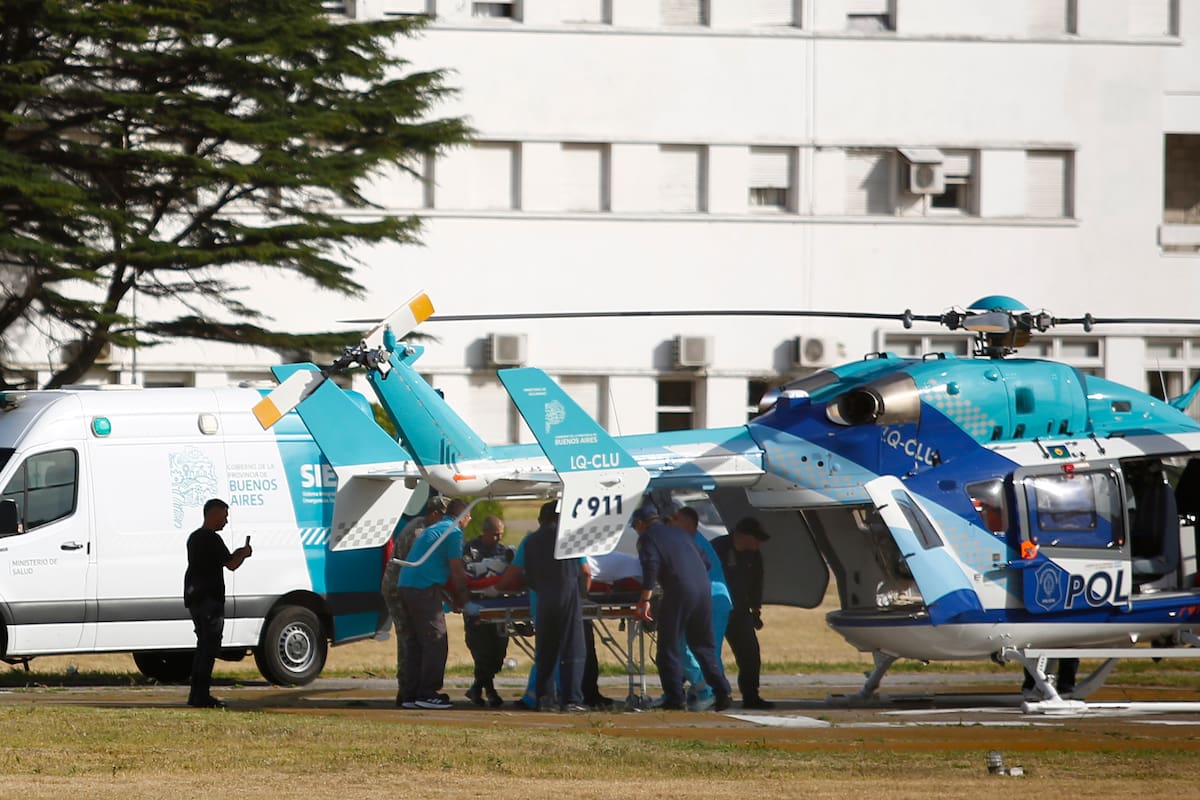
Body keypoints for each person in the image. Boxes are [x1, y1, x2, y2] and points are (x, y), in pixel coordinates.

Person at [632, 503, 732, 712]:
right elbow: (705, 562)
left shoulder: (648, 538)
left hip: (679, 591)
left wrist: (645, 599)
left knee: (668, 647)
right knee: (703, 646)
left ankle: (675, 698)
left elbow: (650, 566)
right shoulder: (682, 534)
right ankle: (723, 691)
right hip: (704, 591)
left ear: (641, 524)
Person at [511, 500, 589, 712]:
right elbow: (586, 571)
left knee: (546, 651)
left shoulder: (531, 540)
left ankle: (544, 698)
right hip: (567, 595)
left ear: (541, 519)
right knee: (572, 648)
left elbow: (523, 575)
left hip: (543, 598)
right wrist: (582, 594)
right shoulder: (570, 536)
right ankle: (571, 699)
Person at [396, 498, 469, 710]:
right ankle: (428, 693)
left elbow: (432, 570)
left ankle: (411, 694)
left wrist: (451, 600)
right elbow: (457, 571)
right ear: (464, 516)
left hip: (408, 585)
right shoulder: (453, 532)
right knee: (436, 641)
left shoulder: (435, 528)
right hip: (421, 589)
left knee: (416, 643)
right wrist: (466, 600)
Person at [183, 498, 252, 709]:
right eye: (224, 515)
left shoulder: (194, 538)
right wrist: (244, 553)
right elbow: (231, 564)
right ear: (213, 514)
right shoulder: (211, 539)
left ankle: (197, 694)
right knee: (209, 647)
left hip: (195, 598)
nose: (226, 520)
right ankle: (201, 695)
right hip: (209, 601)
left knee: (203, 645)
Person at [381, 495, 449, 707]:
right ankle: (409, 692)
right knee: (410, 639)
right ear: (435, 514)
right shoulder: (420, 533)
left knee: (413, 640)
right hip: (399, 589)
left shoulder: (420, 526)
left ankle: (410, 691)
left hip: (401, 586)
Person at [673, 504, 731, 711]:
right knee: (700, 649)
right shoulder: (693, 541)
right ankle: (706, 690)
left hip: (712, 600)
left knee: (706, 650)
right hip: (710, 599)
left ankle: (710, 692)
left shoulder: (690, 543)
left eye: (674, 521)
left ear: (686, 523)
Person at [712, 516, 773, 710]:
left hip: (739, 611)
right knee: (707, 652)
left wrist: (756, 610)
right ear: (742, 535)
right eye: (756, 538)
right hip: (715, 608)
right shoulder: (718, 549)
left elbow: (757, 582)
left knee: (750, 654)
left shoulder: (753, 555)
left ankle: (751, 695)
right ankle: (708, 693)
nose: (758, 543)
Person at [462, 515, 514, 707]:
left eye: (501, 534)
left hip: (498, 606)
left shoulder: (503, 550)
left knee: (499, 652)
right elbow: (466, 573)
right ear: (484, 533)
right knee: (481, 651)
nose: (499, 539)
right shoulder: (469, 549)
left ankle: (477, 688)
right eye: (495, 535)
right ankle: (489, 691)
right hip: (477, 605)